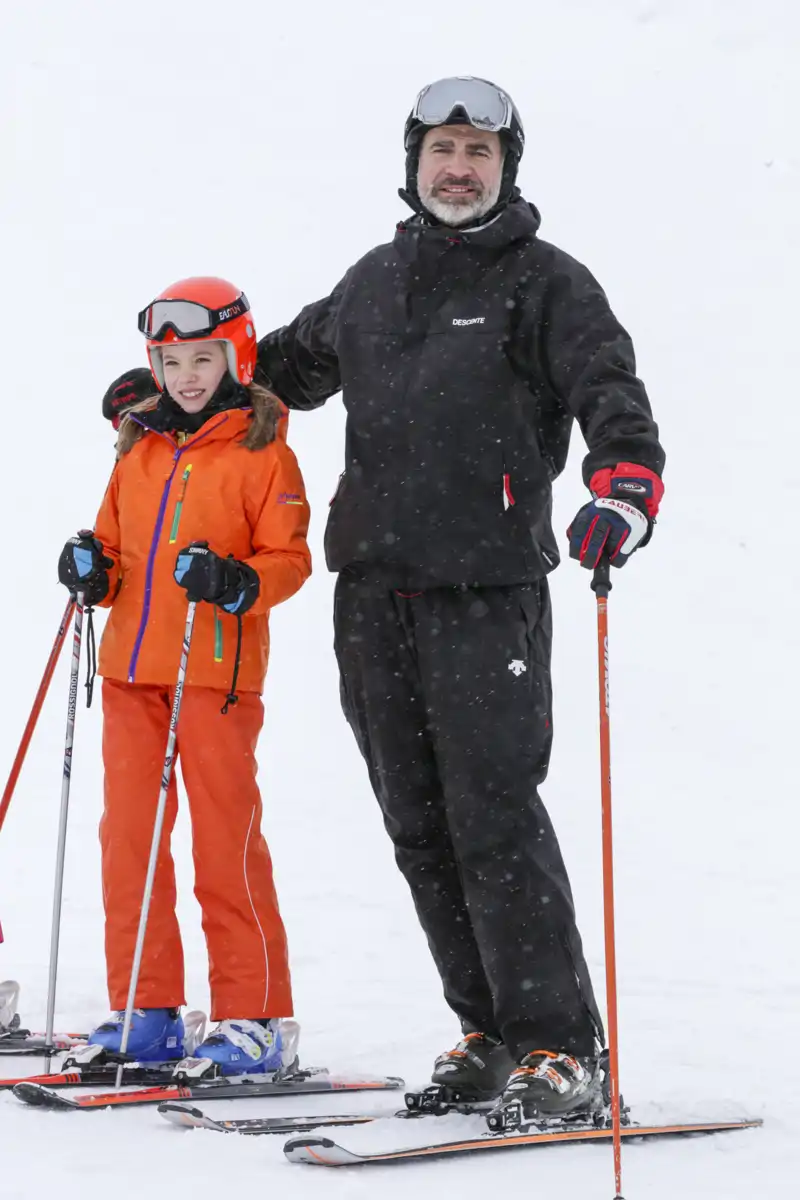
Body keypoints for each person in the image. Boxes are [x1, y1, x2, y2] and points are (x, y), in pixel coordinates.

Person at [105, 77, 666, 1118]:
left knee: (491, 817)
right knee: (415, 823)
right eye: (441, 151)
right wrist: (174, 386)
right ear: (412, 164)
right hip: (371, 593)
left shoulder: (547, 285)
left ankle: (560, 1051)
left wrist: (622, 488)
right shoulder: (374, 282)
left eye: (478, 155)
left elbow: (608, 392)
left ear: (506, 169)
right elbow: (272, 375)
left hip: (485, 590)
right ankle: (485, 1033)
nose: (457, 169)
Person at [61, 277, 311, 1074]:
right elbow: (114, 543)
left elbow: (290, 559)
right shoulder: (140, 447)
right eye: (172, 362)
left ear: (236, 355)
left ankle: (257, 1016)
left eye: (205, 358)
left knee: (222, 843)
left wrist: (238, 581)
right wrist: (92, 569)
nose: (188, 376)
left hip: (214, 675)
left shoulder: (262, 451)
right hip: (133, 674)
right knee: (127, 841)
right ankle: (147, 1006)